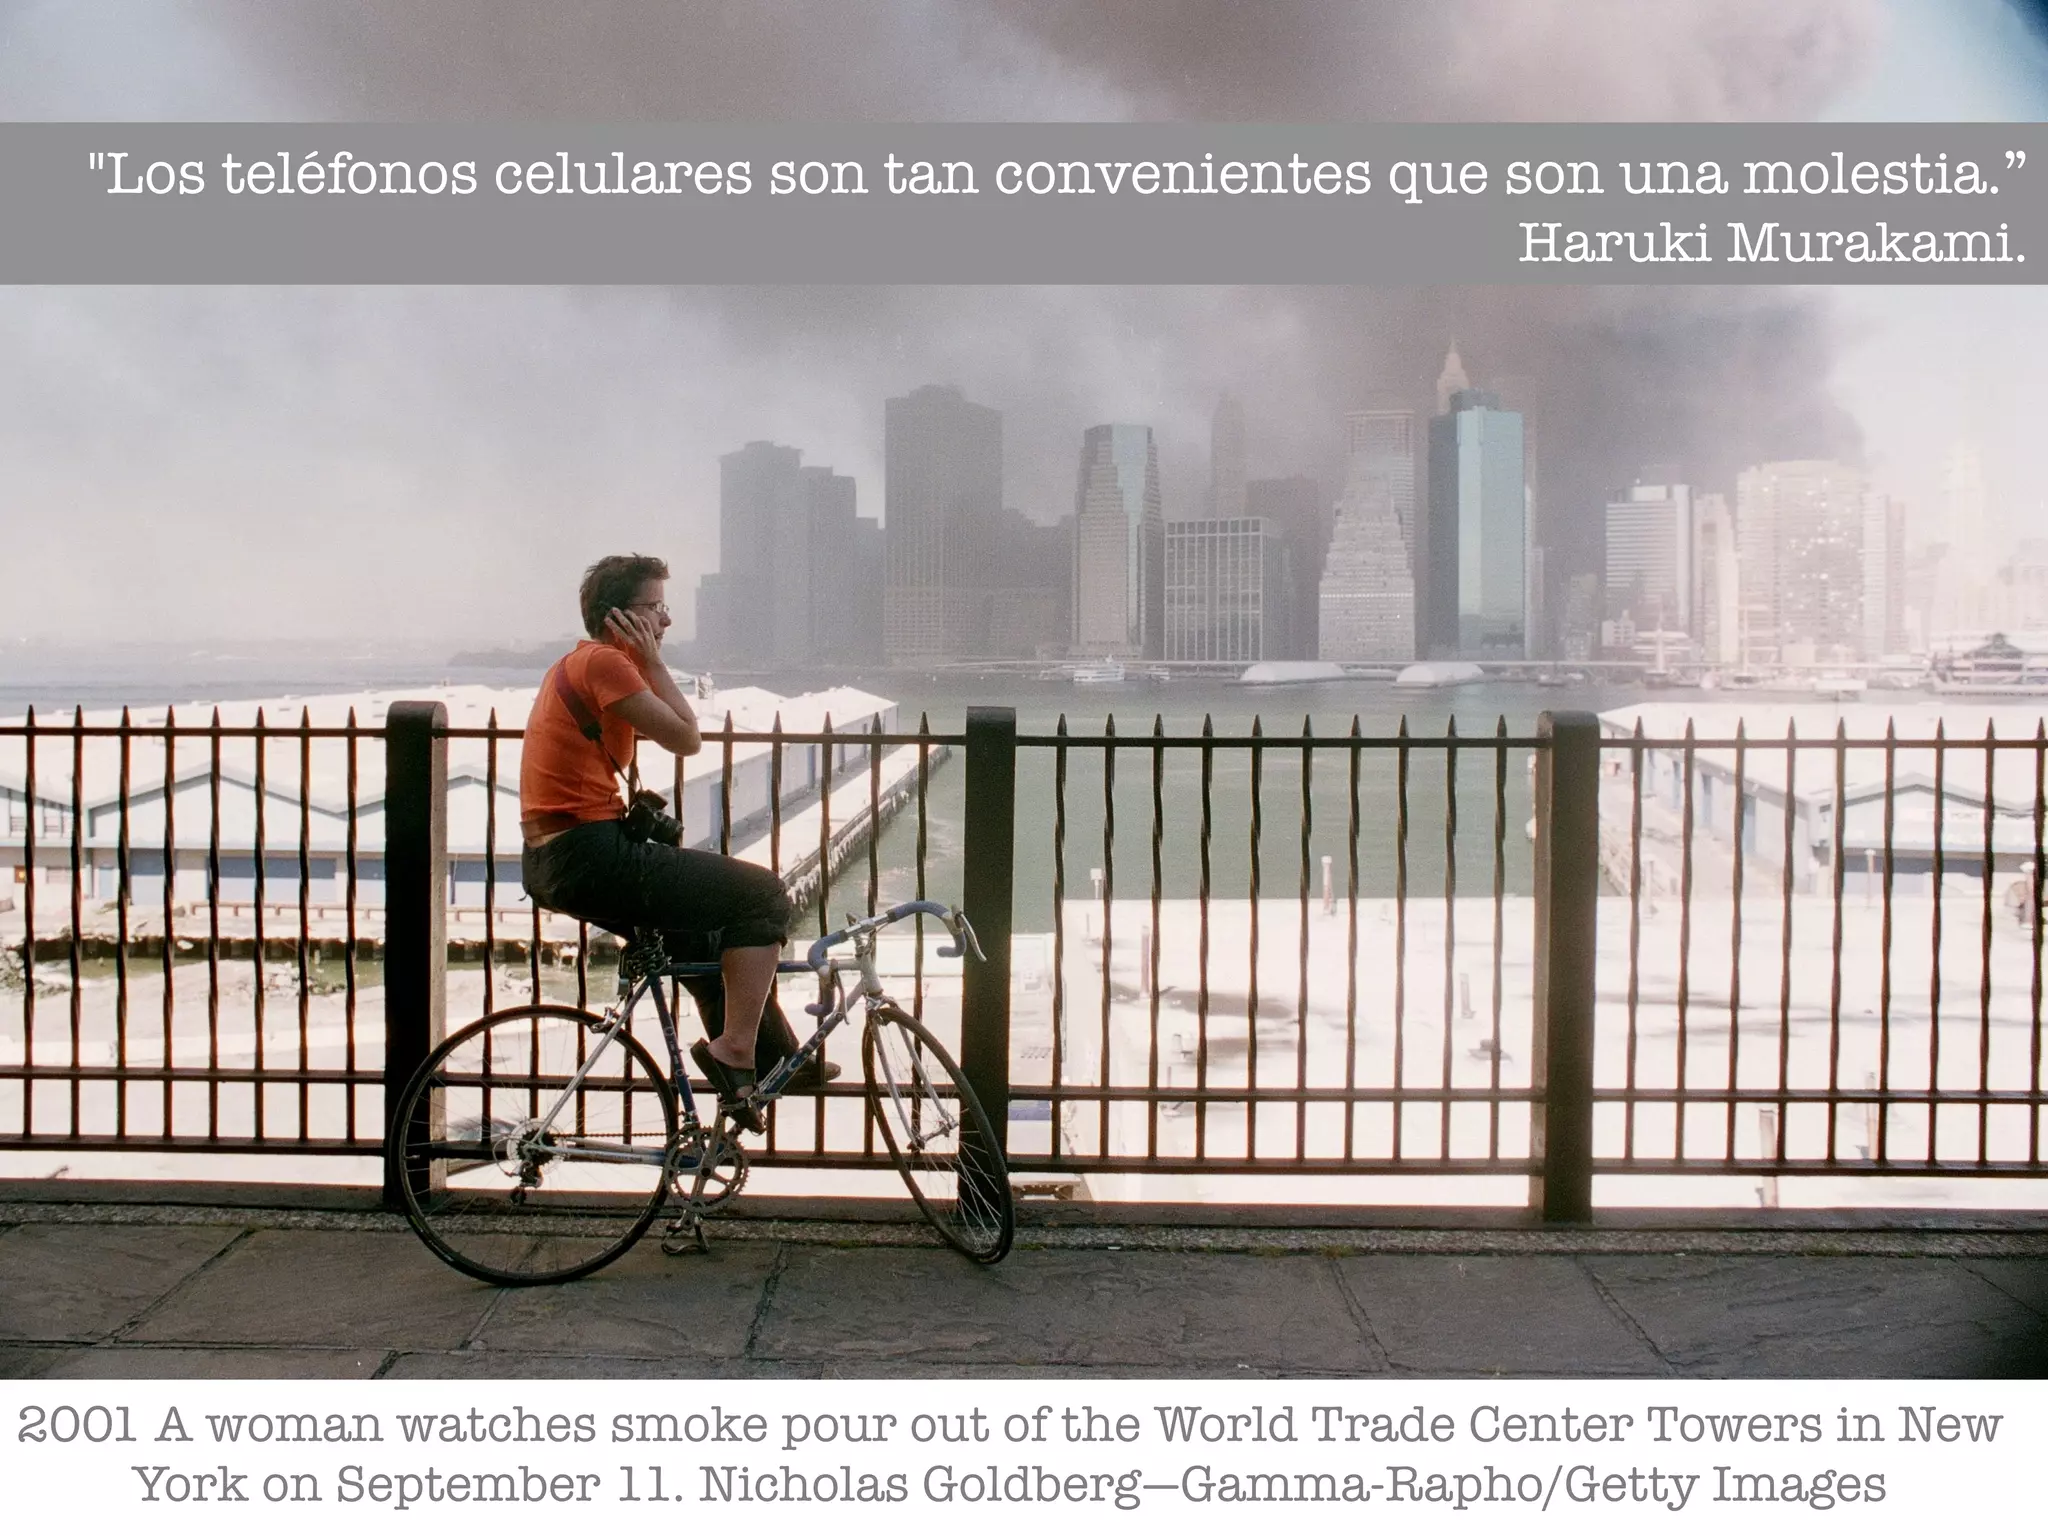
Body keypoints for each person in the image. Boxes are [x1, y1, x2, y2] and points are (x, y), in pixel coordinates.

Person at [518, 553, 833, 1131]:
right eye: (655, 607)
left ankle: (773, 1061)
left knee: (706, 946)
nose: (665, 621)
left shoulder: (584, 663)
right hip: (586, 855)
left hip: (560, 856)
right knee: (761, 895)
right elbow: (687, 738)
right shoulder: (608, 664)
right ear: (621, 617)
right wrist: (657, 665)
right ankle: (736, 1049)